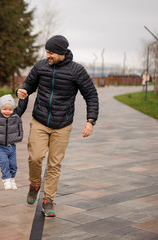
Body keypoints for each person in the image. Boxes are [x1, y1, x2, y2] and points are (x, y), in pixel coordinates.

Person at [17, 35, 99, 217]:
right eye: (46, 51)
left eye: (51, 52)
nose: (48, 55)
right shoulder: (40, 66)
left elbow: (91, 95)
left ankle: (48, 199)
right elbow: (28, 84)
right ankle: (34, 183)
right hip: (40, 120)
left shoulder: (77, 71)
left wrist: (90, 120)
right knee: (35, 157)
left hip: (62, 125)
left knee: (55, 163)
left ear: (62, 52)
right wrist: (22, 90)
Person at [0, 94, 28, 190]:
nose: (7, 112)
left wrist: (24, 98)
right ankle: (6, 179)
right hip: (1, 146)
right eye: (4, 109)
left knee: (13, 164)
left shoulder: (16, 116)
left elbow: (22, 107)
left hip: (12, 146)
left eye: (10, 109)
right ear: (0, 109)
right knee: (4, 162)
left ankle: (12, 178)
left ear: (13, 110)